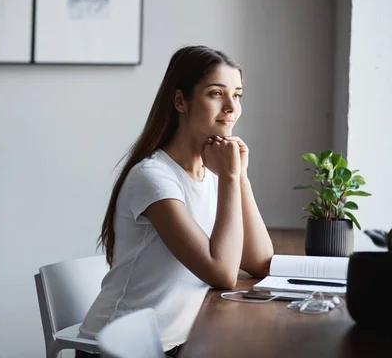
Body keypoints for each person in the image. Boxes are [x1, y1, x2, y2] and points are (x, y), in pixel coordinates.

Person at [76, 45, 274, 357]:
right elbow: (222, 274)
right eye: (215, 94)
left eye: (236, 94)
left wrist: (240, 176)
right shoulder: (153, 177)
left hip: (178, 344)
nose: (231, 107)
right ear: (180, 101)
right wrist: (231, 178)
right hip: (121, 348)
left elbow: (260, 261)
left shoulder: (213, 175)